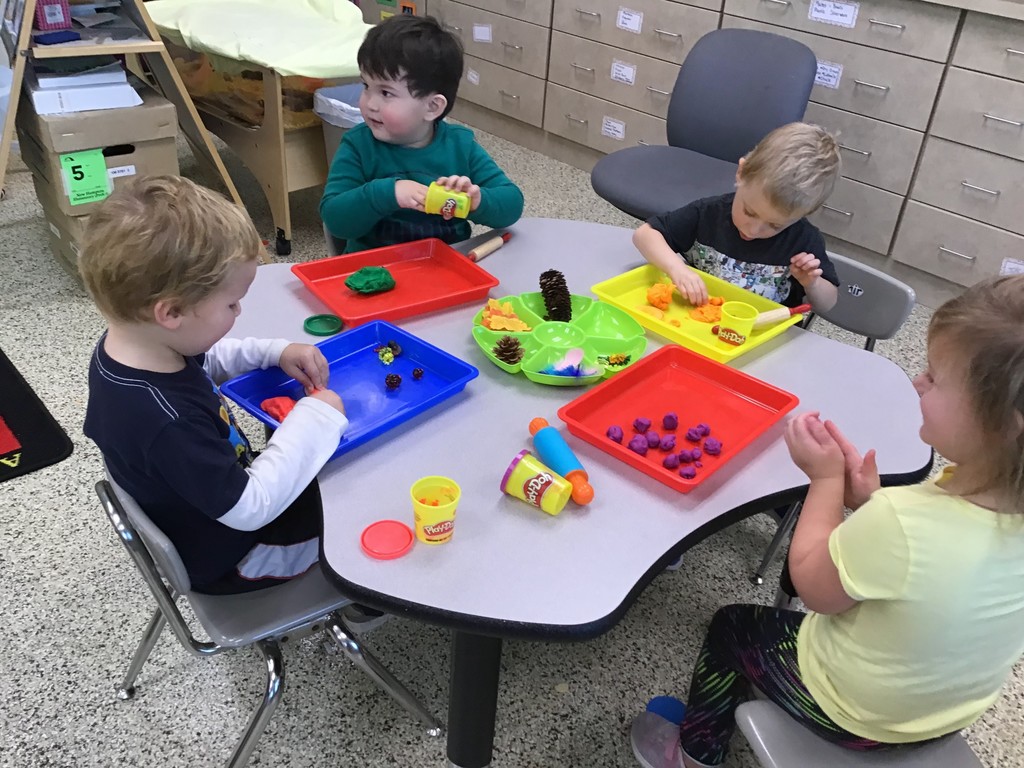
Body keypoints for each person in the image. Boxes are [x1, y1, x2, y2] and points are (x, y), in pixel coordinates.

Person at [631, 275, 1024, 768]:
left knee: (731, 626)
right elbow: (931, 570)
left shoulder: (902, 521)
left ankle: (691, 752)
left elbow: (815, 589)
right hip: (945, 712)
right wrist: (872, 505)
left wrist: (825, 482)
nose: (918, 381)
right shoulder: (983, 492)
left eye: (935, 378)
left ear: (1004, 426)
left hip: (857, 715)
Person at [81, 175, 350, 595]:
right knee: (361, 508)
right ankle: (365, 603)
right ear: (171, 312)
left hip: (214, 509)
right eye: (230, 303)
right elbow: (249, 507)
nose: (240, 311)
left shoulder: (139, 346)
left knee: (337, 470)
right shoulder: (169, 423)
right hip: (242, 554)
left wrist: (274, 351)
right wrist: (315, 417)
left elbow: (207, 361)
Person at [320, 14, 524, 254]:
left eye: (385, 93)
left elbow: (512, 203)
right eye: (366, 86)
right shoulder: (358, 145)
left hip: (446, 269)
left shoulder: (460, 145)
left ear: (432, 107)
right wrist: (387, 193)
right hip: (374, 270)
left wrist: (477, 200)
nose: (369, 103)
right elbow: (335, 219)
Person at [632, 122, 841, 311]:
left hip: (763, 338)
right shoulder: (708, 213)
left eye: (775, 226)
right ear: (741, 173)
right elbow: (645, 235)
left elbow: (827, 304)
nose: (753, 230)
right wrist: (676, 269)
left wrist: (811, 283)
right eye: (749, 212)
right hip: (698, 322)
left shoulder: (803, 239)